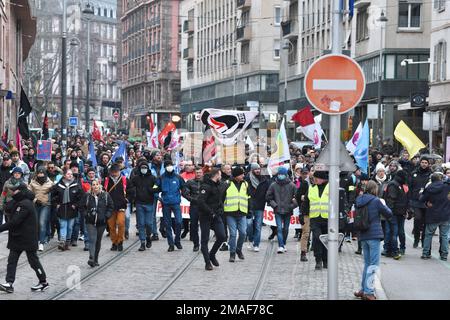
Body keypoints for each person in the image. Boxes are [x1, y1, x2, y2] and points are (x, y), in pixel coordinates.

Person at [0, 184, 49, 293]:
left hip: (26, 238)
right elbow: (7, 207)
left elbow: (14, 222)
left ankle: (43, 282)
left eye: (14, 191)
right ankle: (9, 283)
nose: (12, 192)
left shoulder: (25, 204)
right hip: (18, 238)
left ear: (20, 192)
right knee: (12, 261)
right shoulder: (19, 202)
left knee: (33, 261)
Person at [354, 181, 392, 301]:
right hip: (374, 235)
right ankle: (369, 292)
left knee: (367, 264)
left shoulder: (359, 199)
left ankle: (363, 289)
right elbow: (389, 213)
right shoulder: (376, 201)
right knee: (373, 265)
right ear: (374, 189)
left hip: (363, 234)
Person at [197, 168, 226, 270]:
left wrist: (220, 208)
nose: (221, 176)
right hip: (206, 216)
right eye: (220, 174)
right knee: (204, 240)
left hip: (216, 215)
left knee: (222, 236)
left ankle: (212, 254)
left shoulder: (218, 185)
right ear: (217, 174)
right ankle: (207, 262)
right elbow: (200, 201)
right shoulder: (205, 186)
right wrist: (210, 212)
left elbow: (219, 200)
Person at [80, 179, 114, 267]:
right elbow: (82, 207)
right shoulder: (87, 195)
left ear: (100, 185)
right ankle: (91, 257)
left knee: (98, 241)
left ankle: (96, 259)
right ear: (91, 186)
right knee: (92, 239)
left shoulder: (105, 195)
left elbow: (111, 206)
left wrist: (106, 216)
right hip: (90, 222)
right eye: (93, 184)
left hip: (101, 222)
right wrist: (86, 215)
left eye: (97, 184)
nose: (95, 186)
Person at [266, 167, 297, 253]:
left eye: (282, 174)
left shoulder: (292, 185)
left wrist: (291, 206)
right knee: (279, 228)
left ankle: (284, 243)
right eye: (279, 174)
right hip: (278, 210)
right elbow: (268, 197)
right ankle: (281, 246)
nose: (281, 176)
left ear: (286, 175)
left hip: (288, 210)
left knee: (286, 229)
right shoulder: (273, 185)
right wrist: (274, 205)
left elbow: (297, 198)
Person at [419, 173, 450, 261]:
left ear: (431, 180)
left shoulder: (429, 188)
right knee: (444, 235)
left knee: (428, 235)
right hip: (445, 214)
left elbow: (421, 199)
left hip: (432, 214)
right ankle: (444, 255)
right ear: (440, 179)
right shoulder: (447, 187)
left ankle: (425, 253)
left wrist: (423, 197)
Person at [130, 161, 160, 251]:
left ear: (148, 168)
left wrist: (152, 190)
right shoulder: (136, 178)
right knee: (141, 224)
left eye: (145, 167)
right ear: (139, 168)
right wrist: (134, 193)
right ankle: (142, 242)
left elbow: (157, 186)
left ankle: (148, 236)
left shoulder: (152, 178)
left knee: (149, 224)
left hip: (150, 203)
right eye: (142, 168)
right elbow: (130, 186)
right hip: (139, 203)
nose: (144, 169)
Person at [302, 170, 329, 270]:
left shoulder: (331, 188)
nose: (314, 180)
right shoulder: (311, 188)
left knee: (326, 240)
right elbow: (306, 202)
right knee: (317, 238)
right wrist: (303, 214)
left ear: (322, 179)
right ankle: (318, 260)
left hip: (327, 218)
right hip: (315, 218)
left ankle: (326, 260)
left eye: (316, 178)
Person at [51, 168, 84, 251]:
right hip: (62, 209)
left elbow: (81, 197)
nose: (70, 175)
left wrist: (75, 205)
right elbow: (52, 196)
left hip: (72, 209)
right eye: (68, 174)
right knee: (63, 225)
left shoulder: (76, 185)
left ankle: (67, 242)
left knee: (69, 227)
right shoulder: (58, 185)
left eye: (71, 174)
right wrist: (56, 204)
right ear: (64, 175)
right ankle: (62, 241)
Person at [223, 166, 249, 262]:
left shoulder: (245, 184)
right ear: (236, 175)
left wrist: (249, 211)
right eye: (241, 174)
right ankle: (232, 253)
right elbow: (221, 198)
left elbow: (248, 197)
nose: (243, 175)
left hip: (242, 212)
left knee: (243, 233)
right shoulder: (227, 184)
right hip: (230, 213)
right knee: (233, 234)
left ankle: (239, 249)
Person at [158, 160, 185, 252]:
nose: (169, 166)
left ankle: (177, 240)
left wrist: (187, 195)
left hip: (176, 203)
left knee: (179, 222)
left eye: (170, 165)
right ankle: (171, 244)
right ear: (165, 167)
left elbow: (184, 187)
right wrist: (158, 197)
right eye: (167, 165)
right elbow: (154, 188)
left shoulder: (178, 177)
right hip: (166, 204)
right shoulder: (161, 178)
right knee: (167, 224)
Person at [104, 164, 132, 252]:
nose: (115, 174)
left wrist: (127, 200)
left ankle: (120, 241)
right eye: (113, 172)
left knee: (121, 223)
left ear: (119, 171)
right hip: (110, 207)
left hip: (121, 206)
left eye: (116, 172)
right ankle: (114, 242)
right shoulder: (106, 181)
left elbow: (131, 191)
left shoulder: (125, 180)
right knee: (111, 226)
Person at [384, 170, 409, 259]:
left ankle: (390, 250)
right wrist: (390, 214)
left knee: (395, 232)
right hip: (393, 213)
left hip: (399, 213)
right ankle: (393, 251)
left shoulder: (399, 184)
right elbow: (391, 200)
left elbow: (403, 199)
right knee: (393, 233)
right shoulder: (393, 185)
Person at [28, 167, 55, 251]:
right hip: (35, 205)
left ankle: (41, 242)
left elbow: (56, 192)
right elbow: (28, 193)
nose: (40, 176)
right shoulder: (32, 183)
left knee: (42, 223)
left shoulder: (50, 183)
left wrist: (52, 191)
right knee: (35, 223)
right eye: (39, 175)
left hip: (45, 205)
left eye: (42, 175)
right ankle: (35, 240)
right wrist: (35, 200)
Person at [246, 162, 270, 252]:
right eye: (255, 169)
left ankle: (256, 244)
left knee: (258, 226)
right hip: (250, 205)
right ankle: (251, 238)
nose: (257, 170)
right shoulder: (247, 179)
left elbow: (268, 192)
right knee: (249, 224)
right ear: (252, 170)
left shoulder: (264, 180)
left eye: (258, 169)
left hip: (260, 205)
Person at [408, 156, 431, 249]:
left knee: (425, 222)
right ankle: (416, 239)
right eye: (422, 162)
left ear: (428, 164)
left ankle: (424, 240)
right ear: (420, 163)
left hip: (426, 201)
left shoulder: (430, 174)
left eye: (426, 163)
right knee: (417, 219)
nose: (424, 164)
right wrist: (409, 200)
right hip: (416, 201)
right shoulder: (414, 173)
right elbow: (410, 187)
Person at [182, 166, 204, 251]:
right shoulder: (190, 182)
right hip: (194, 206)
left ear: (202, 173)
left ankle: (203, 244)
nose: (198, 174)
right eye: (197, 173)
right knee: (193, 226)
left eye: (200, 172)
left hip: (204, 207)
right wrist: (191, 199)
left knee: (204, 227)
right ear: (195, 173)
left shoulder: (206, 182)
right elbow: (184, 193)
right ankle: (196, 244)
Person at [296, 167, 312, 261]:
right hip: (306, 212)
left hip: (319, 213)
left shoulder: (323, 184)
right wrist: (301, 211)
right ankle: (303, 252)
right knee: (306, 233)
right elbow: (299, 196)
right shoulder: (304, 184)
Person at [0, 154, 12, 224]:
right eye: (4, 160)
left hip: (10, 194)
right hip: (1, 193)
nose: (5, 161)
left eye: (7, 160)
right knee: (0, 209)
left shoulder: (12, 169)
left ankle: (9, 226)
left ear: (9, 160)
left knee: (9, 211)